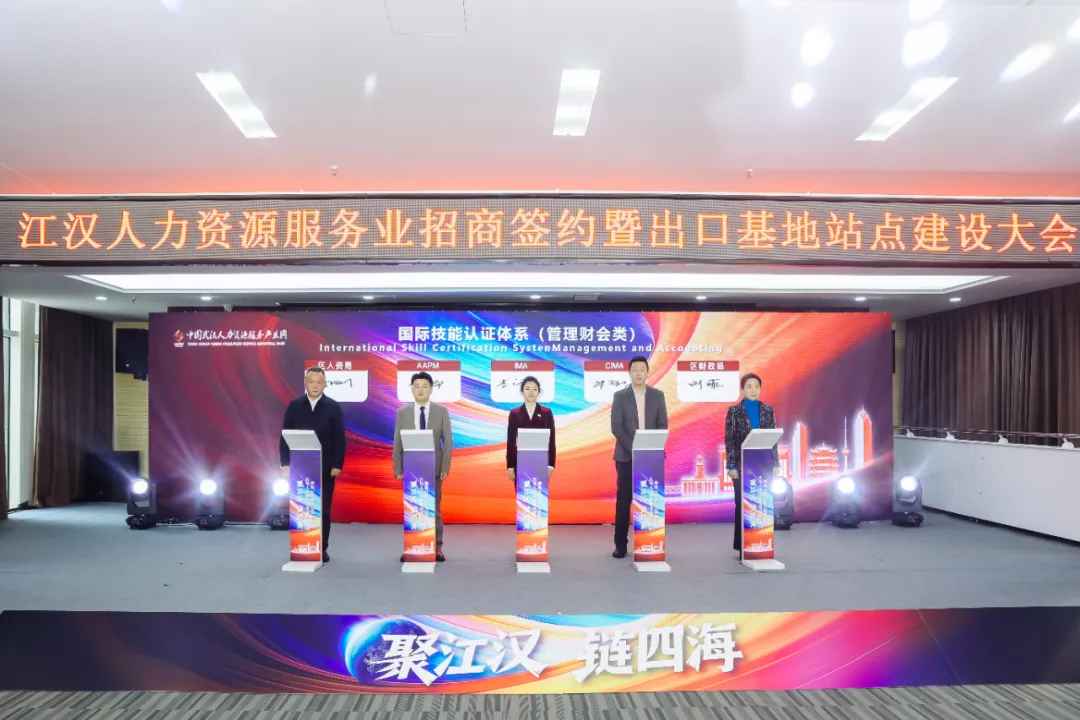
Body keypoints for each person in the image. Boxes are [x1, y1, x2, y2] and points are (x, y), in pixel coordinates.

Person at [279, 366, 346, 563]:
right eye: (311, 382)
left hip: (325, 467)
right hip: (300, 467)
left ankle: (321, 548)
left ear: (325, 384)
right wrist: (285, 461)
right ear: (305, 383)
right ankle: (302, 544)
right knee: (302, 507)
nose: (315, 386)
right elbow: (285, 434)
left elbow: (340, 438)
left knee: (323, 509)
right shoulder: (294, 405)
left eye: (319, 382)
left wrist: (337, 463)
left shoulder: (333, 407)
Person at [609, 355, 668, 559]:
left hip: (652, 456)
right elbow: (616, 426)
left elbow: (662, 424)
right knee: (623, 501)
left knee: (651, 501)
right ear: (629, 372)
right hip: (626, 456)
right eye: (634, 369)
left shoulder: (658, 395)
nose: (638, 373)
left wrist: (649, 449)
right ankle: (620, 545)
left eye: (642, 369)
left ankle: (651, 541)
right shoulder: (620, 396)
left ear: (647, 372)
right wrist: (635, 448)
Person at [393, 371, 454, 562]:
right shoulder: (402, 413)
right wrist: (398, 468)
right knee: (413, 508)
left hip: (434, 467)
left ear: (431, 389)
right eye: (417, 386)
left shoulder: (441, 411)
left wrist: (445, 466)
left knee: (434, 509)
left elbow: (448, 441)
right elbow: (397, 442)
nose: (420, 390)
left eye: (425, 386)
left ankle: (437, 547)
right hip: (411, 468)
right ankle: (412, 546)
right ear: (412, 389)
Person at [725, 373, 780, 553]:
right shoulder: (734, 411)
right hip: (741, 465)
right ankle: (743, 544)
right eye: (749, 386)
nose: (753, 390)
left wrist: (775, 463)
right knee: (743, 504)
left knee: (762, 503)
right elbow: (730, 440)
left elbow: (773, 438)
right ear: (742, 389)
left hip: (763, 464)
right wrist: (731, 465)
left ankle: (761, 541)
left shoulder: (767, 410)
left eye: (756, 386)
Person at [506, 376, 556, 486]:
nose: (531, 392)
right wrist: (510, 466)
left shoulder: (546, 413)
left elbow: (551, 440)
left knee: (539, 493)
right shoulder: (515, 413)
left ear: (539, 392)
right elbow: (511, 441)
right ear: (522, 392)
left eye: (535, 389)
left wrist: (551, 464)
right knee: (523, 492)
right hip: (520, 461)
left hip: (541, 461)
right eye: (527, 389)